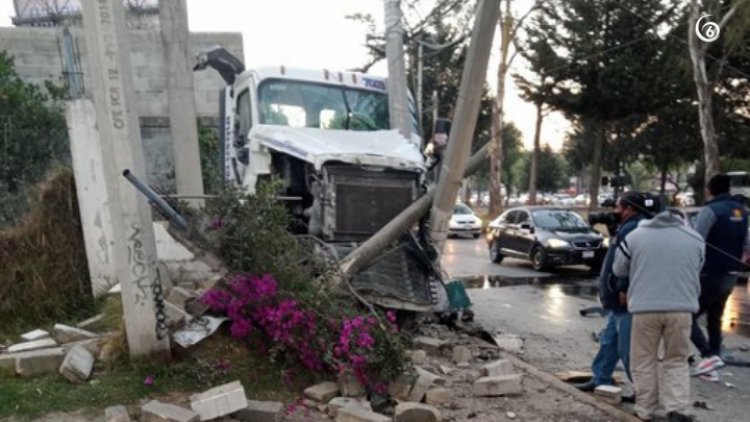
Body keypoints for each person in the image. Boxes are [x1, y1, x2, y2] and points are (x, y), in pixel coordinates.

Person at [613, 210, 704, 422]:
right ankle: (677, 409)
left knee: (644, 360)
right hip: (681, 309)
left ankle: (646, 409)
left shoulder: (635, 236)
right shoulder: (695, 238)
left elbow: (619, 269)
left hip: (644, 309)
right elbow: (698, 267)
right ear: (682, 220)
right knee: (677, 360)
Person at [574, 192, 646, 394]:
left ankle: (645, 394)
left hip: (625, 299)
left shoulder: (635, 228)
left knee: (627, 349)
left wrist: (623, 286)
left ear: (629, 209)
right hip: (616, 300)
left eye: (617, 208)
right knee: (609, 341)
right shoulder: (626, 226)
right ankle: (600, 378)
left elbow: (630, 261)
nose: (614, 212)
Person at [690, 174, 750, 380]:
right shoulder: (742, 211)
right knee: (715, 318)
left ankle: (707, 356)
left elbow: (696, 240)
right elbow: (747, 245)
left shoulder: (710, 210)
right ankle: (713, 362)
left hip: (709, 273)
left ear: (710, 189)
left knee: (686, 316)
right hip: (731, 274)